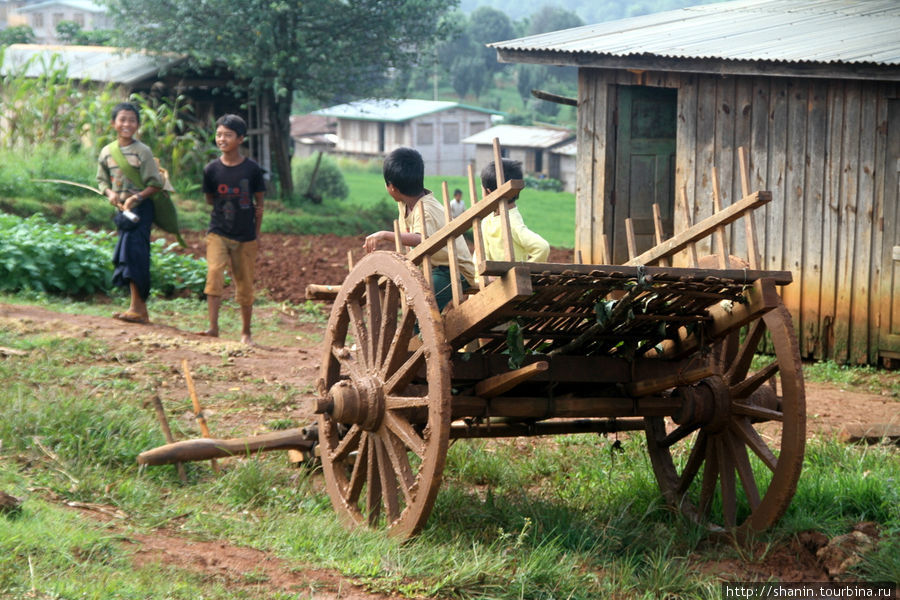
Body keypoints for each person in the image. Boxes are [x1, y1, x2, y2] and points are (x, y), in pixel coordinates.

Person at [364, 147, 476, 311]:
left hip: (454, 270)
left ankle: (423, 336)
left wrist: (384, 235)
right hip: (435, 268)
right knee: (415, 303)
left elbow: (420, 238)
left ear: (392, 187)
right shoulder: (404, 204)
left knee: (422, 307)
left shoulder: (426, 209)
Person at [200, 114, 266, 345]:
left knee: (245, 283)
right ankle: (212, 328)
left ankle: (246, 332)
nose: (222, 139)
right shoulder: (211, 170)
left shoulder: (252, 170)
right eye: (219, 134)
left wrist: (256, 234)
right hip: (218, 231)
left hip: (246, 236)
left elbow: (259, 205)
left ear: (240, 139)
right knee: (214, 274)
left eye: (228, 135)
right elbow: (210, 199)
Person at [97, 101, 163, 324]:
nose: (127, 124)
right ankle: (136, 307)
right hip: (122, 211)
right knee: (124, 257)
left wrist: (137, 197)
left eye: (132, 120)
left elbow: (156, 184)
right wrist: (110, 194)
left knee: (137, 256)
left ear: (137, 125)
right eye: (122, 119)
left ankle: (139, 309)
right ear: (113, 123)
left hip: (140, 211)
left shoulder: (143, 151)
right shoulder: (107, 152)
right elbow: (101, 180)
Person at [480, 159, 550, 263]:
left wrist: (520, 272)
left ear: (488, 192)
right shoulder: (487, 219)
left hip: (511, 278)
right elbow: (481, 253)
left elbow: (542, 248)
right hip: (491, 279)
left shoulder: (512, 223)